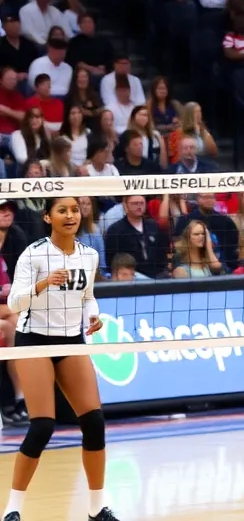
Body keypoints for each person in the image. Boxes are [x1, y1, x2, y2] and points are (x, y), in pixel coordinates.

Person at [5, 196, 120, 521]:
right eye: (62, 210)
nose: (70, 215)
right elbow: (14, 304)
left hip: (70, 339)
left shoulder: (89, 255)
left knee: (94, 421)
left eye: (74, 210)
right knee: (42, 426)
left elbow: (88, 297)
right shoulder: (34, 253)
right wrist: (42, 284)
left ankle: (96, 509)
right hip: (34, 341)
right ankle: (12, 509)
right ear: (47, 216)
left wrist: (93, 316)